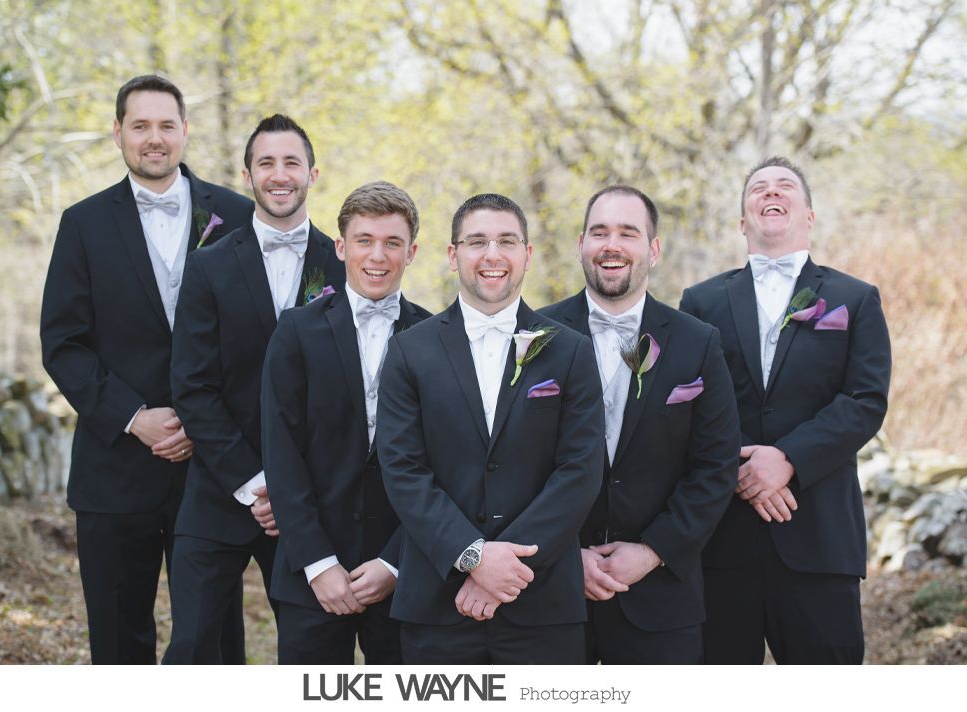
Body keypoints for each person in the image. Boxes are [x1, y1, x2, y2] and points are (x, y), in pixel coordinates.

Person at [40, 74, 253, 664]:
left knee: (211, 644)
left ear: (185, 132)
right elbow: (63, 343)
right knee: (117, 642)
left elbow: (259, 338)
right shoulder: (81, 224)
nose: (153, 138)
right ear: (118, 134)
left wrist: (205, 422)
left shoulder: (237, 216)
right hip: (114, 470)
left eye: (165, 125)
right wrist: (134, 417)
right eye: (140, 126)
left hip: (212, 472)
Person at [376, 193, 604, 664]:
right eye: (477, 241)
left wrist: (510, 567)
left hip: (541, 604)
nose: (492, 255)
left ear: (527, 254)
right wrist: (473, 556)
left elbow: (579, 470)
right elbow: (402, 470)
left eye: (506, 241)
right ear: (453, 254)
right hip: (439, 601)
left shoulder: (572, 351)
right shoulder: (408, 351)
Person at [680, 156, 891, 664]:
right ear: (742, 221)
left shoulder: (855, 299)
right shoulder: (700, 301)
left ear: (809, 214)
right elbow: (682, 405)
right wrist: (735, 468)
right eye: (758, 188)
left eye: (784, 186)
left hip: (818, 536)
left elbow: (865, 401)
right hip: (722, 543)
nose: (771, 192)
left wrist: (788, 459)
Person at [162, 114, 345, 663]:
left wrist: (290, 492)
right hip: (221, 490)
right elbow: (192, 388)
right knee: (192, 650)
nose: (279, 174)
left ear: (313, 173)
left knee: (311, 659)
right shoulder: (208, 267)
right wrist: (257, 483)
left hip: (311, 507)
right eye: (266, 162)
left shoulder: (343, 266)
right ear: (247, 175)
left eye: (291, 162)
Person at [540, 185, 739, 664]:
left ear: (653, 249)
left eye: (628, 233)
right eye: (599, 232)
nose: (612, 245)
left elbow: (715, 466)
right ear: (580, 245)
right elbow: (513, 464)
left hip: (662, 600)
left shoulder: (698, 343)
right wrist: (565, 557)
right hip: (551, 598)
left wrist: (653, 550)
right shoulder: (534, 335)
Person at [261, 181, 431, 664]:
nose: (377, 256)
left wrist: (395, 562)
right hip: (310, 574)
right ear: (340, 247)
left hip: (406, 574)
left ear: (411, 251)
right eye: (364, 240)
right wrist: (318, 564)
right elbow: (282, 454)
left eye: (392, 243)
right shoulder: (295, 332)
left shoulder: (437, 337)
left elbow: (445, 463)